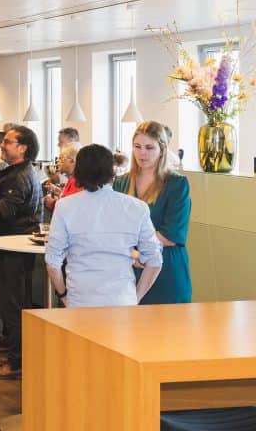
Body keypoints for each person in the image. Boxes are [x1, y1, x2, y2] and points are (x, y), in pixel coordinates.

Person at [46, 145, 163, 307]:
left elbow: (52, 262)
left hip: (80, 298)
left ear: (78, 171)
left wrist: (63, 294)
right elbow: (155, 260)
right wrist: (136, 297)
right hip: (122, 299)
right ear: (111, 171)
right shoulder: (136, 207)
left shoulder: (65, 207)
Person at [0, 125, 43, 381]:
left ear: (23, 148)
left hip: (11, 249)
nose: (2, 146)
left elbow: (3, 211)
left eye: (7, 141)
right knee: (14, 305)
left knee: (14, 306)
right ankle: (16, 356)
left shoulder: (19, 176)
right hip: (7, 247)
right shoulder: (19, 172)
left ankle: (17, 362)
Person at [113, 121, 192, 304]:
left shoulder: (177, 184)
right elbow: (115, 228)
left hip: (167, 271)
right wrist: (131, 251)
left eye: (149, 147)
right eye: (137, 147)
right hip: (129, 269)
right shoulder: (121, 182)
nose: (142, 153)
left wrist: (137, 248)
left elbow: (171, 234)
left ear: (162, 149)